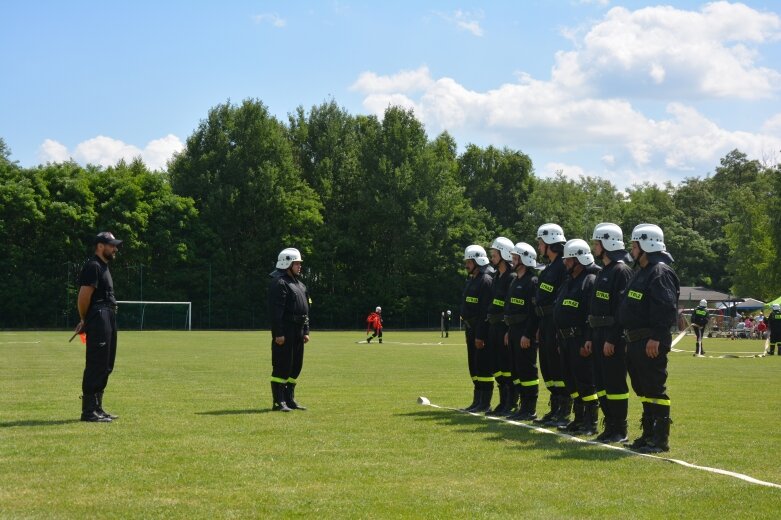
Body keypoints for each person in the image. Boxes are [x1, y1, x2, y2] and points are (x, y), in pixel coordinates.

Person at [618, 224, 680, 453]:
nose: (632, 250)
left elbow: (665, 307)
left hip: (649, 340)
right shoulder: (641, 272)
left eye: (634, 245)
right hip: (635, 340)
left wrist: (656, 337)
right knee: (643, 388)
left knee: (654, 388)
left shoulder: (659, 272)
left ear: (647, 245)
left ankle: (660, 438)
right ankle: (648, 434)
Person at [589, 223, 634, 442]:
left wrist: (612, 338)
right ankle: (610, 425)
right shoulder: (603, 271)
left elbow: (621, 309)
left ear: (607, 243)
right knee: (601, 383)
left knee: (615, 383)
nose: (594, 247)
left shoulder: (621, 271)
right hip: (597, 334)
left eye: (597, 243)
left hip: (611, 336)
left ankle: (620, 428)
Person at [554, 239, 601, 435]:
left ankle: (591, 421)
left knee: (584, 381)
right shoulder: (569, 281)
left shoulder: (588, 282)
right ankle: (579, 418)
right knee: (570, 380)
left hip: (579, 339)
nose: (565, 263)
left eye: (569, 260)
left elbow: (590, 313)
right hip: (565, 340)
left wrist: (587, 339)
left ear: (579, 260)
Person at [75, 231, 122, 423]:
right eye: (111, 245)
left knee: (106, 363)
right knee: (96, 363)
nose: (115, 248)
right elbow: (84, 296)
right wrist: (84, 319)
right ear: (100, 246)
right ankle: (88, 411)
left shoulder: (104, 267)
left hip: (108, 315)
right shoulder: (93, 266)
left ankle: (98, 408)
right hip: (99, 315)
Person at [532, 223, 571, 427]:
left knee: (557, 367)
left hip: (554, 323)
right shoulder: (548, 269)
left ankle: (564, 409)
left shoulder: (562, 268)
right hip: (544, 323)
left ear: (550, 244)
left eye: (541, 242)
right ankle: (555, 406)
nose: (538, 246)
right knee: (547, 367)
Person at [268, 247, 311, 412]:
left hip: (298, 331)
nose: (300, 266)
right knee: (282, 365)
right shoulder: (279, 283)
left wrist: (306, 331)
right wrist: (278, 333)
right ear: (287, 263)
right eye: (297, 263)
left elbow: (306, 309)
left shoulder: (299, 284)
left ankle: (290, 399)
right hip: (285, 331)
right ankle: (279, 401)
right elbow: (275, 312)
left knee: (296, 366)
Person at [505, 242, 540, 421]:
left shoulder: (532, 282)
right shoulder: (514, 280)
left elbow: (533, 312)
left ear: (524, 260)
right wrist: (508, 331)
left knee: (527, 370)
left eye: (515, 258)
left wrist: (528, 333)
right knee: (516, 370)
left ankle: (530, 407)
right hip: (513, 330)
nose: (512, 260)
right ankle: (522, 405)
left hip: (524, 332)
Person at [460, 245, 494, 412]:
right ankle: (477, 400)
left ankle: (485, 402)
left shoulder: (486, 281)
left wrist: (480, 335)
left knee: (483, 366)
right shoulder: (472, 279)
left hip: (480, 330)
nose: (466, 265)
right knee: (473, 366)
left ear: (477, 261)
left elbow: (484, 312)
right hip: (470, 329)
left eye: (469, 261)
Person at [485, 237, 516, 416]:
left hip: (504, 326)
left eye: (495, 254)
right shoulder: (497, 276)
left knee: (506, 366)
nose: (492, 258)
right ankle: (503, 400)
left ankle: (510, 402)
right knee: (496, 365)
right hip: (493, 325)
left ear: (504, 255)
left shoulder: (510, 278)